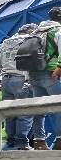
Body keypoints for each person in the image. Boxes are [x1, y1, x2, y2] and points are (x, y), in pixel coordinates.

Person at [0, 23, 38, 150]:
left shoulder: (3, 45)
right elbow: (32, 62)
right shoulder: (29, 42)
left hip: (6, 81)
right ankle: (22, 142)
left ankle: (11, 141)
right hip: (22, 79)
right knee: (25, 111)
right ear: (31, 32)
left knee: (10, 113)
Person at [22, 8, 61, 149]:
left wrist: (28, 78)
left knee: (40, 109)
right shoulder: (57, 30)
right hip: (52, 74)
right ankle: (60, 140)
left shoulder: (36, 32)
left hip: (34, 75)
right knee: (59, 106)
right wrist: (59, 66)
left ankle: (39, 141)